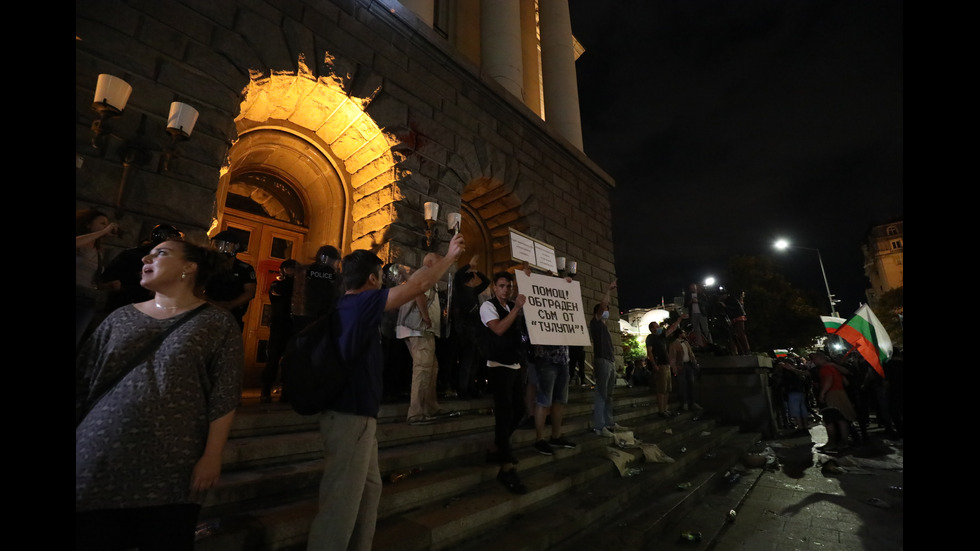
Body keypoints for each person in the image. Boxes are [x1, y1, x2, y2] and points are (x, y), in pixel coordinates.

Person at [76, 238, 244, 551]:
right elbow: (83, 381)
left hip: (171, 468)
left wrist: (212, 455)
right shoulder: (119, 318)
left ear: (189, 268)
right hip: (97, 460)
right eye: (149, 253)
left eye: (161, 253)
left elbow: (225, 392)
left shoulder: (217, 323)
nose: (146, 259)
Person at [305, 233, 465, 551]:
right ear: (373, 278)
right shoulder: (358, 303)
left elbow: (412, 284)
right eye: (382, 276)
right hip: (350, 416)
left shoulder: (349, 305)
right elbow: (416, 287)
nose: (385, 281)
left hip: (358, 417)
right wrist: (449, 258)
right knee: (341, 504)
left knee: (368, 489)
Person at [480, 270, 529, 494]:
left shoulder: (511, 306)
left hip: (515, 365)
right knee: (505, 412)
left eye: (509, 286)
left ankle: (497, 447)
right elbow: (498, 329)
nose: (506, 290)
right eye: (502, 286)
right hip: (498, 366)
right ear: (494, 288)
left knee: (520, 410)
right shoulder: (488, 307)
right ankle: (506, 467)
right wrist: (517, 309)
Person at [396, 252, 454, 425]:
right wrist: (426, 316)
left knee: (431, 367)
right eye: (439, 263)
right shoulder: (425, 274)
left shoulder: (425, 275)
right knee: (423, 368)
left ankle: (430, 405)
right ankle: (416, 412)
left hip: (418, 330)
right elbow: (418, 293)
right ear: (429, 262)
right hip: (419, 329)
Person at [101, 224, 182, 313]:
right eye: (174, 239)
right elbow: (109, 276)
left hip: (146, 305)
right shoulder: (134, 254)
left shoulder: (172, 261)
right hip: (124, 302)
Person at [76, 208, 119, 348]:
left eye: (106, 224)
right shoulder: (80, 244)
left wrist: (107, 286)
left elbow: (92, 280)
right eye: (102, 223)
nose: (106, 226)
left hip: (87, 298)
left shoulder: (98, 252)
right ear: (88, 224)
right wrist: (103, 232)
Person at [589, 279, 627, 436]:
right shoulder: (595, 323)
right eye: (605, 309)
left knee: (609, 395)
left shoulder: (604, 327)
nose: (607, 310)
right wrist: (609, 290)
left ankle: (609, 422)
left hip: (609, 362)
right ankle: (599, 426)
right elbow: (603, 304)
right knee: (601, 394)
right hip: (602, 361)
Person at [451, 256, 491, 398]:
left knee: (473, 360)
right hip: (463, 330)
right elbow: (457, 275)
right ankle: (463, 389)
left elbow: (487, 282)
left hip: (474, 331)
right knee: (466, 361)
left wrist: (477, 271)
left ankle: (470, 386)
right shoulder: (460, 289)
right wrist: (469, 265)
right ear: (471, 280)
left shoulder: (473, 292)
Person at [261, 259, 298, 403]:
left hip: (293, 325)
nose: (292, 272)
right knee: (273, 358)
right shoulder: (277, 284)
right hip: (279, 326)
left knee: (290, 360)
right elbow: (281, 294)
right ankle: (265, 389)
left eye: (294, 269)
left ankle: (286, 390)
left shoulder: (298, 286)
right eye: (289, 269)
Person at [204, 230, 257, 330]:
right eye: (217, 244)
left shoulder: (245, 269)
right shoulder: (208, 266)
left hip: (232, 316)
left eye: (226, 245)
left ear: (235, 247)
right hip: (208, 313)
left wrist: (229, 305)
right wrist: (213, 304)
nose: (221, 248)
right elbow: (196, 288)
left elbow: (250, 292)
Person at [810, 351, 857, 453]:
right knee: (841, 419)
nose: (813, 361)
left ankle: (832, 443)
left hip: (832, 394)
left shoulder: (825, 368)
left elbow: (829, 380)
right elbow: (846, 382)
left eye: (815, 359)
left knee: (830, 419)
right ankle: (844, 442)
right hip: (841, 393)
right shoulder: (835, 367)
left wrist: (822, 393)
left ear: (821, 358)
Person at [292, 245, 343, 334]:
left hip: (304, 316)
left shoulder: (305, 270)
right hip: (324, 317)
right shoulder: (332, 274)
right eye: (335, 261)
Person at [645, 321, 675, 418]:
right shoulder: (650, 338)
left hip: (666, 364)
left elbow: (672, 329)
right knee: (661, 389)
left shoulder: (661, 337)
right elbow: (650, 352)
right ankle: (661, 410)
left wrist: (679, 319)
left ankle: (665, 409)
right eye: (656, 326)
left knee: (667, 389)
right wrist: (654, 364)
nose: (658, 328)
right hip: (660, 365)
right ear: (652, 329)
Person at [669, 329, 702, 411]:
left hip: (689, 364)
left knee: (691, 384)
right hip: (681, 366)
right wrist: (674, 367)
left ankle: (692, 402)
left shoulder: (686, 343)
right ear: (680, 334)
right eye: (683, 333)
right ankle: (685, 403)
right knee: (682, 385)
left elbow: (691, 353)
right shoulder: (674, 344)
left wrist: (694, 362)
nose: (685, 334)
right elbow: (672, 357)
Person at [684, 283, 713, 348]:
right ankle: (700, 344)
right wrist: (691, 301)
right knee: (696, 330)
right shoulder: (688, 295)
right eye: (691, 288)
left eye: (693, 287)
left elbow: (707, 303)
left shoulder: (701, 294)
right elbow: (685, 305)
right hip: (693, 314)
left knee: (705, 329)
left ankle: (710, 343)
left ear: (696, 287)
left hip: (701, 313)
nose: (692, 289)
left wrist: (698, 301)